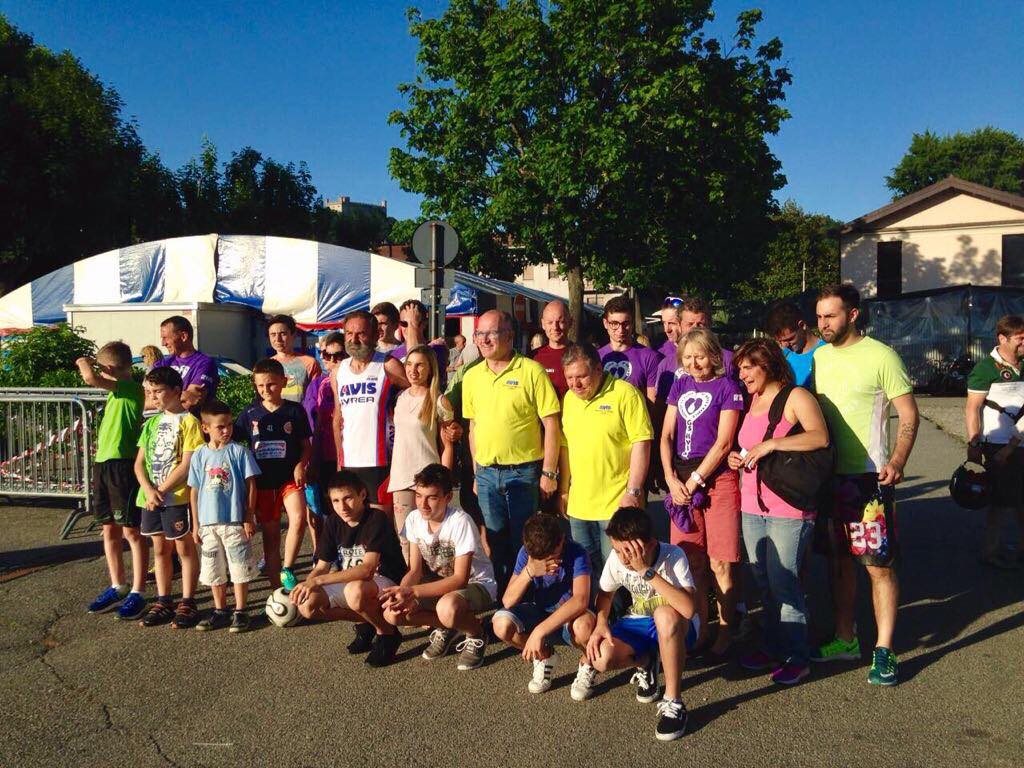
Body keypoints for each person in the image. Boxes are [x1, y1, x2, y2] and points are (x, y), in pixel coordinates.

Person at [812, 283, 918, 686]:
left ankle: (884, 649)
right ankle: (845, 637)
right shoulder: (819, 357)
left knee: (877, 566)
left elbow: (908, 414)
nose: (823, 324)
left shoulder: (881, 356)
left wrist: (898, 460)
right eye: (819, 317)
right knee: (839, 562)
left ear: (853, 314)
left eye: (831, 316)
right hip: (828, 476)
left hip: (869, 478)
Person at [727, 339, 830, 685]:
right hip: (751, 505)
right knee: (764, 583)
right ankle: (773, 647)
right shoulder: (752, 400)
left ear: (768, 365)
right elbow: (749, 445)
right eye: (740, 369)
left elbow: (820, 437)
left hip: (789, 506)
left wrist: (773, 444)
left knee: (785, 583)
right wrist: (738, 457)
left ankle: (797, 657)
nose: (742, 375)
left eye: (748, 367)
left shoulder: (796, 397)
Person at [660, 328, 744, 658]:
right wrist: (670, 478)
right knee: (690, 559)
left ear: (714, 356)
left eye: (700, 356)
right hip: (681, 479)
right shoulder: (680, 385)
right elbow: (666, 435)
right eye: (688, 357)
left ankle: (725, 630)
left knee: (720, 562)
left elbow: (724, 442)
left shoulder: (728, 387)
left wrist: (695, 481)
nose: (694, 364)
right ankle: (700, 627)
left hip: (716, 479)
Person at [463, 310, 561, 588]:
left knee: (526, 540)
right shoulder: (472, 376)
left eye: (491, 333)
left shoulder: (531, 371)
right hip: (486, 474)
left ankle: (529, 595)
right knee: (495, 540)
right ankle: (503, 595)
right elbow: (473, 428)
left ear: (509, 336)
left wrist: (549, 473)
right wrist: (476, 472)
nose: (484, 340)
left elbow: (551, 424)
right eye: (479, 334)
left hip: (524, 473)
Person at [584, 506, 698, 742]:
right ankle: (647, 662)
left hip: (677, 627)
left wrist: (646, 571)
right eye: (617, 550)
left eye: (629, 551)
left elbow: (688, 609)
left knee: (664, 614)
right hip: (638, 621)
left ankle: (674, 702)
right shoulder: (617, 559)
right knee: (601, 658)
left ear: (651, 544)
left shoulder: (673, 555)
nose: (623, 558)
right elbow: (605, 594)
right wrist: (601, 622)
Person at [381, 464, 497, 671]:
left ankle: (477, 632)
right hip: (441, 586)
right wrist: (402, 592)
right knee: (392, 613)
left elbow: (460, 579)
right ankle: (449, 626)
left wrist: (413, 592)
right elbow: (415, 570)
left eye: (432, 498)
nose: (423, 504)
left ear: (447, 497)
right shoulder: (414, 519)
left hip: (477, 584)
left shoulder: (460, 521)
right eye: (419, 496)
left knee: (447, 608)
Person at [291, 470, 408, 667]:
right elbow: (321, 567)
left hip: (385, 582)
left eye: (348, 498)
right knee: (307, 605)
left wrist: (318, 581)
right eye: (336, 501)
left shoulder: (376, 518)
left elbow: (367, 570)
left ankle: (387, 633)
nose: (342, 507)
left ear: (362, 494)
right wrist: (306, 585)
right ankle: (368, 622)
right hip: (353, 583)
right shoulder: (333, 522)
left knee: (355, 591)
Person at [558, 343, 652, 576]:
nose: (575, 384)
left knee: (620, 574)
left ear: (599, 370)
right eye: (570, 378)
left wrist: (633, 491)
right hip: (580, 507)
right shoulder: (569, 399)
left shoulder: (625, 394)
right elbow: (565, 447)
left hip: (616, 505)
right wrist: (564, 490)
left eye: (582, 376)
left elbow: (642, 442)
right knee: (585, 573)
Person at [77, 343, 149, 621]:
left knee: (132, 531)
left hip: (122, 465)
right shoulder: (116, 392)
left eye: (103, 368)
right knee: (109, 529)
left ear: (108, 368)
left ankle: (138, 591)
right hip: (104, 463)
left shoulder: (131, 388)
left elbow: (89, 377)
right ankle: (118, 584)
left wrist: (83, 361)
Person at [492, 513, 596, 696]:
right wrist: (529, 571)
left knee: (584, 626)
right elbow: (508, 601)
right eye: (540, 558)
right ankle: (545, 656)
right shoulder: (526, 554)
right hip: (540, 611)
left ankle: (588, 663)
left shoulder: (577, 552)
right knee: (501, 624)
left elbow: (580, 600)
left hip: (570, 618)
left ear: (561, 540)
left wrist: (539, 631)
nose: (547, 561)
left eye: (552, 555)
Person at [133, 367, 204, 628]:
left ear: (176, 391)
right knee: (160, 548)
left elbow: (187, 464)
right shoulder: (151, 423)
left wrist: (161, 490)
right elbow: (139, 463)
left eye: (158, 391)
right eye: (149, 391)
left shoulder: (189, 422)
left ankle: (188, 600)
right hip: (150, 499)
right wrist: (149, 490)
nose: (153, 396)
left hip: (177, 497)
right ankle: (164, 600)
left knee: (184, 548)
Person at [234, 358, 312, 592]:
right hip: (263, 483)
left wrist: (301, 465)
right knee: (271, 538)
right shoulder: (249, 413)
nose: (266, 390)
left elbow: (306, 446)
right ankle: (277, 591)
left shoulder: (294, 410)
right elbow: (232, 440)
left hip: (289, 478)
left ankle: (287, 568)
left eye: (271, 384)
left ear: (283, 382)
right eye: (260, 386)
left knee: (299, 518)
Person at [187, 400, 261, 633]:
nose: (226, 430)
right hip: (208, 524)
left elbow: (251, 485)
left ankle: (241, 610)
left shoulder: (239, 452)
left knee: (239, 566)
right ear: (205, 428)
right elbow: (194, 490)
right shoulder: (199, 455)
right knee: (212, 567)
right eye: (220, 426)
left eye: (229, 424)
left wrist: (248, 515)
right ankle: (220, 610)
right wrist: (196, 524)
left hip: (234, 521)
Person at [332, 311, 409, 509]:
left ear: (376, 335)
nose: (354, 340)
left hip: (380, 460)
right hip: (349, 460)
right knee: (352, 520)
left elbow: (416, 395)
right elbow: (338, 418)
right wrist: (339, 459)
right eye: (349, 334)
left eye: (361, 334)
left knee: (379, 521)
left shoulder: (388, 365)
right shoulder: (338, 371)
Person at [387, 344, 458, 561]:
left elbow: (447, 446)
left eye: (419, 365)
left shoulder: (439, 401)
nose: (413, 370)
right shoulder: (400, 398)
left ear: (430, 369)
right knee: (405, 539)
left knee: (432, 539)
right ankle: (412, 580)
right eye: (409, 364)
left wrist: (444, 480)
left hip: (428, 479)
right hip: (401, 477)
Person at [966, 314, 1024, 569]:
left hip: (1021, 441)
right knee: (1000, 501)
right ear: (1003, 338)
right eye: (1020, 339)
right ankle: (990, 552)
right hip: (998, 445)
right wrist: (974, 443)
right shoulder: (986, 368)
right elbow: (973, 408)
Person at [305, 331, 344, 556]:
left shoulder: (356, 379)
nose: (332, 360)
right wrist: (312, 461)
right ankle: (327, 555)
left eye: (339, 355)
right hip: (326, 457)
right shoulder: (318, 384)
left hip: (352, 457)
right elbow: (314, 426)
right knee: (325, 508)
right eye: (327, 355)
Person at [598, 295, 660, 403]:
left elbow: (652, 402)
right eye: (614, 324)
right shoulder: (597, 357)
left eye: (625, 323)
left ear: (632, 323)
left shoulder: (650, 357)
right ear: (605, 323)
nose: (620, 329)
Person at [153, 315, 219, 410]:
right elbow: (146, 400)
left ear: (183, 336)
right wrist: (181, 396)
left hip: (191, 419)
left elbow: (191, 401)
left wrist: (161, 398)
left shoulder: (204, 363)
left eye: (166, 338)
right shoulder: (162, 364)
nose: (163, 343)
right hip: (163, 419)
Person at [764, 302, 825, 388]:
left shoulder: (828, 351)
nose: (785, 345)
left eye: (790, 339)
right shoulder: (783, 357)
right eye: (780, 341)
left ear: (802, 325)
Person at [391, 299, 449, 388]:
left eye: (413, 322)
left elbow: (417, 380)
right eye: (404, 323)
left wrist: (411, 323)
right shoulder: (394, 354)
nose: (408, 328)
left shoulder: (437, 349)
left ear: (424, 324)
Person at [678, 296, 737, 380]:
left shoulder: (728, 360)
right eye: (690, 324)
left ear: (709, 325)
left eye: (700, 324)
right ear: (679, 325)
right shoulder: (667, 363)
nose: (695, 328)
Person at [267, 314, 322, 403]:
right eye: (273, 334)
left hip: (301, 412)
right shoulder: (266, 366)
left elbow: (317, 397)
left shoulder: (310, 363)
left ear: (294, 335)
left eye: (283, 334)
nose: (278, 339)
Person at [531, 299, 572, 399]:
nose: (555, 327)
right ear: (543, 324)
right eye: (550, 322)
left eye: (561, 322)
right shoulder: (533, 357)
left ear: (570, 322)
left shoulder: (581, 354)